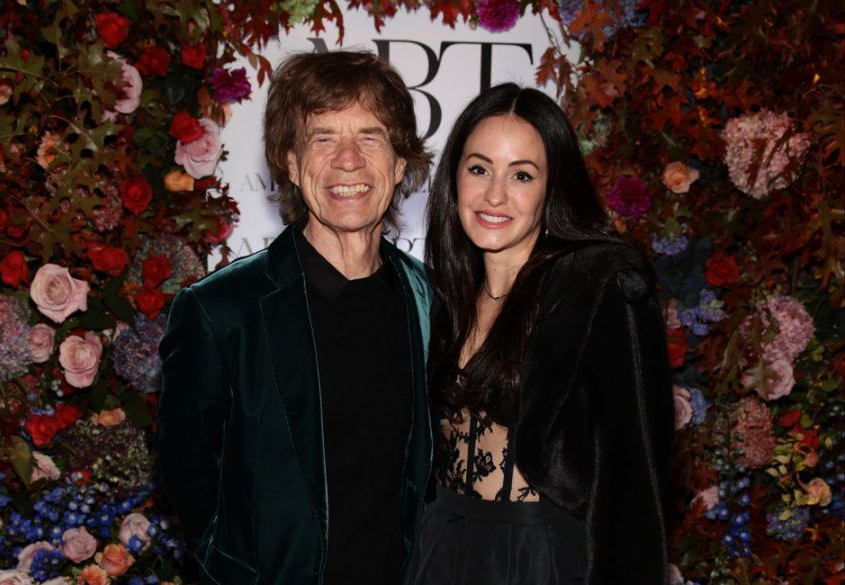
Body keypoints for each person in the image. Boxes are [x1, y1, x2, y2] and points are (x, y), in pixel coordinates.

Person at [156, 51, 434, 585]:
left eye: (370, 137)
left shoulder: (429, 299)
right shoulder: (220, 312)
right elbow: (188, 476)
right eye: (323, 137)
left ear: (401, 163)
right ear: (289, 160)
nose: (347, 160)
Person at [412, 83, 674, 584]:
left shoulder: (597, 293)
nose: (494, 195)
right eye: (479, 168)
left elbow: (633, 479)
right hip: (438, 550)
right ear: (455, 177)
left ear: (553, 187)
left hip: (542, 561)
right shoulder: (439, 296)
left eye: (522, 175)